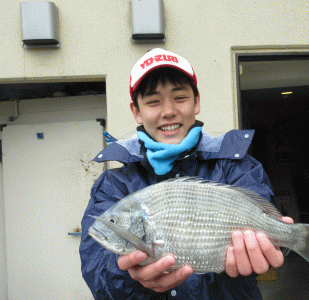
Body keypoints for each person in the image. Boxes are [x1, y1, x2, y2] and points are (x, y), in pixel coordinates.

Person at [79, 48, 293, 299]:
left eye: (180, 97)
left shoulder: (238, 168)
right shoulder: (112, 186)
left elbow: (265, 232)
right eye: (153, 101)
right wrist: (128, 275)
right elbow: (97, 273)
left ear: (197, 102)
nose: (168, 111)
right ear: (136, 111)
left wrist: (278, 245)